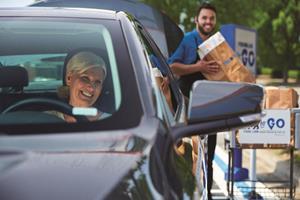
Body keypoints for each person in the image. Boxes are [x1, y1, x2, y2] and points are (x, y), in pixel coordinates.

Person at [168, 2, 220, 199]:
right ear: (197, 20)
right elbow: (172, 66)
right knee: (188, 153)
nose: (208, 21)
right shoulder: (189, 39)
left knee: (209, 157)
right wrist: (198, 67)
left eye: (211, 18)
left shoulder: (218, 42)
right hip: (188, 104)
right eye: (204, 18)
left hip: (211, 106)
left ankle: (208, 195)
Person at [54, 51, 110, 122]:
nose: (91, 88)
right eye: (85, 78)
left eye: (97, 82)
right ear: (69, 78)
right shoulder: (46, 118)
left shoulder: (111, 122)